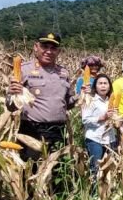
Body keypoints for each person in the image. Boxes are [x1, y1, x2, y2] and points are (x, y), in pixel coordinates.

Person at [7, 33, 77, 162]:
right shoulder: (24, 70)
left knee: (58, 170)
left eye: (53, 48)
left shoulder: (64, 72)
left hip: (59, 130)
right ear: (36, 47)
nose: (49, 51)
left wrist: (81, 96)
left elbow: (67, 103)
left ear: (59, 51)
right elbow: (11, 107)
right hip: (32, 129)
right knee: (30, 171)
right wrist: (11, 94)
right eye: (45, 46)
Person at [82, 74, 118, 179]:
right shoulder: (90, 100)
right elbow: (85, 120)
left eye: (105, 83)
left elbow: (115, 119)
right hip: (95, 139)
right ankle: (94, 194)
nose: (103, 86)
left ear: (109, 86)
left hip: (110, 139)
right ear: (95, 86)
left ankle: (107, 193)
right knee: (96, 169)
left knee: (109, 168)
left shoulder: (112, 101)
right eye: (100, 83)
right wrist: (103, 117)